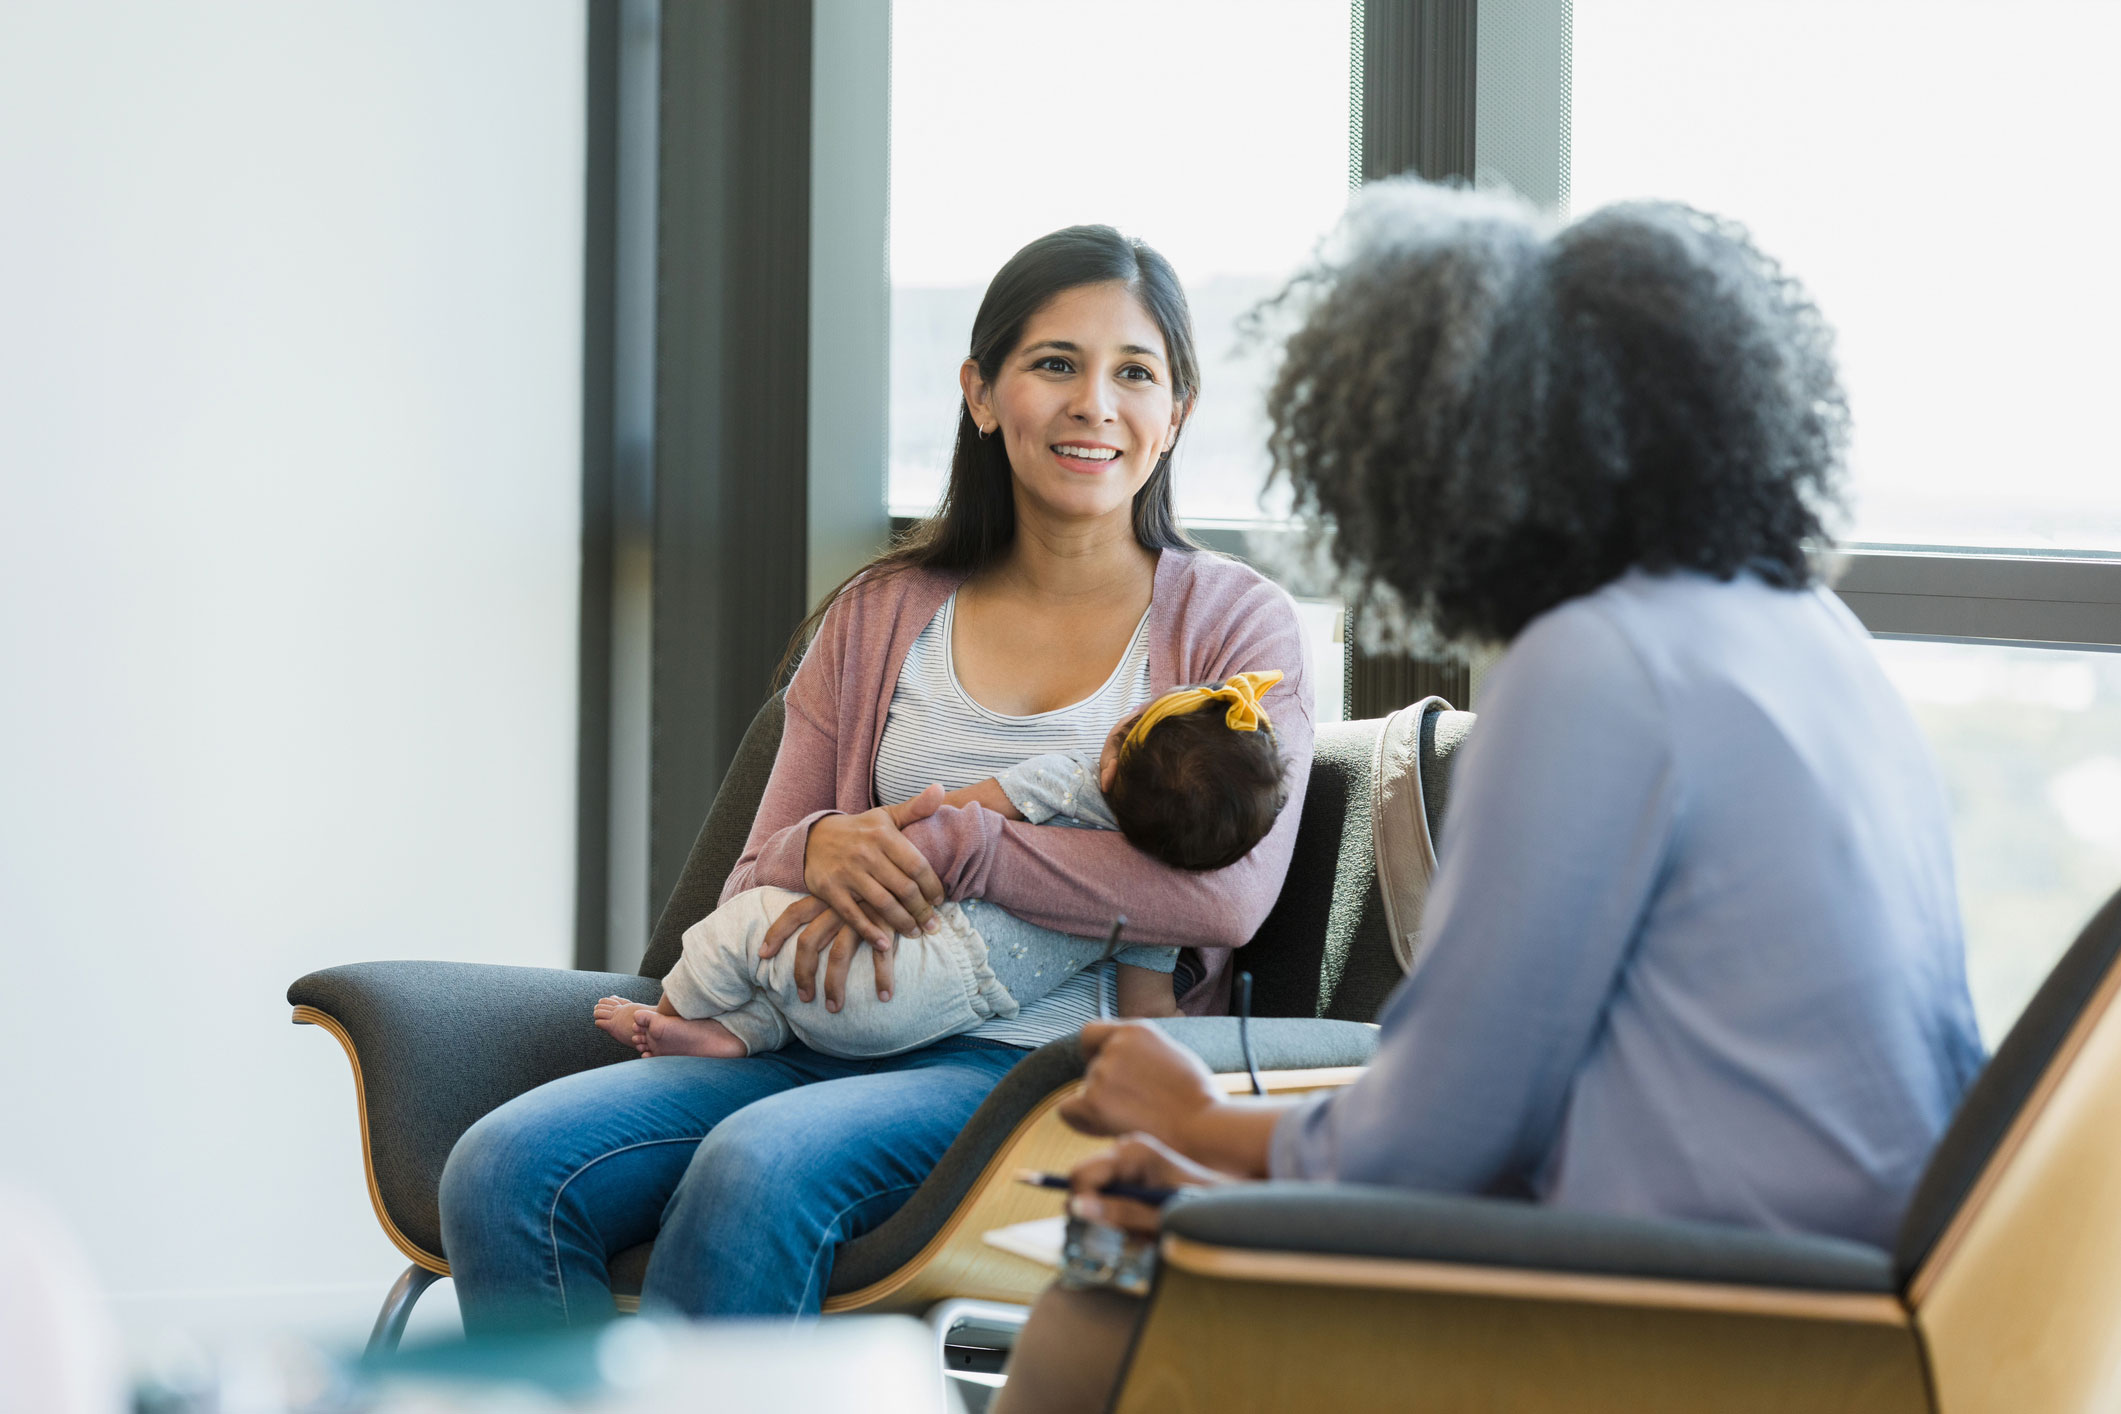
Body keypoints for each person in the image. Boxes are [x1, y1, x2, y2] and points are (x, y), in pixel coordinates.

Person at [993, 180, 1988, 1412]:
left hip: (1715, 1315)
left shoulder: (1595, 665)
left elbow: (1438, 1134)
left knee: (1108, 1278)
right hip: (1875, 1293)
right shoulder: (1806, 628)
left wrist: (1199, 1123)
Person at [436, 225, 1314, 1327]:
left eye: (1134, 372)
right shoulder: (882, 610)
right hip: (819, 1033)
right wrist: (821, 846)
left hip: (1034, 1073)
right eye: (1055, 364)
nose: (1096, 402)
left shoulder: (1233, 624)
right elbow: (757, 866)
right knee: (505, 1168)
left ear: (1175, 412)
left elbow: (1223, 894)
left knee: (760, 1168)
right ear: (982, 393)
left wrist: (980, 847)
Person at [589, 671, 1289, 1059]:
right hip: (945, 1016)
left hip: (904, 958)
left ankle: (669, 1011)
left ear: (1113, 748)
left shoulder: (1064, 781)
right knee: (791, 997)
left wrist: (848, 858)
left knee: (746, 928)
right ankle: (734, 1039)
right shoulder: (1160, 916)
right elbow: (1146, 1015)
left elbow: (941, 825)